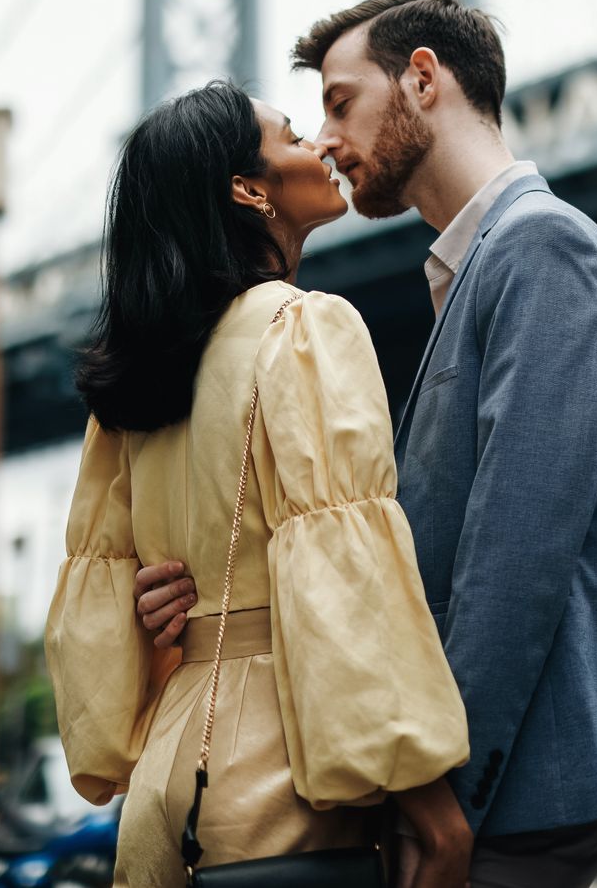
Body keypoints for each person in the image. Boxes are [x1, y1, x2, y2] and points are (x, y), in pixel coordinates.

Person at [137, 0, 597, 887]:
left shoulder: (543, 249)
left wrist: (444, 794)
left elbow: (516, 559)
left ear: (423, 79)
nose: (328, 140)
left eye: (341, 102)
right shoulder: (472, 270)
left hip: (508, 796)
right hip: (469, 797)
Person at [43, 81, 472, 888]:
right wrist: (431, 807)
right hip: (279, 787)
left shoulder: (136, 387)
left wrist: (166, 640)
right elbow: (346, 575)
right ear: (248, 188)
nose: (318, 141)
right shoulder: (304, 330)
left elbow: (97, 619)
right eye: (288, 133)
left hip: (167, 784)